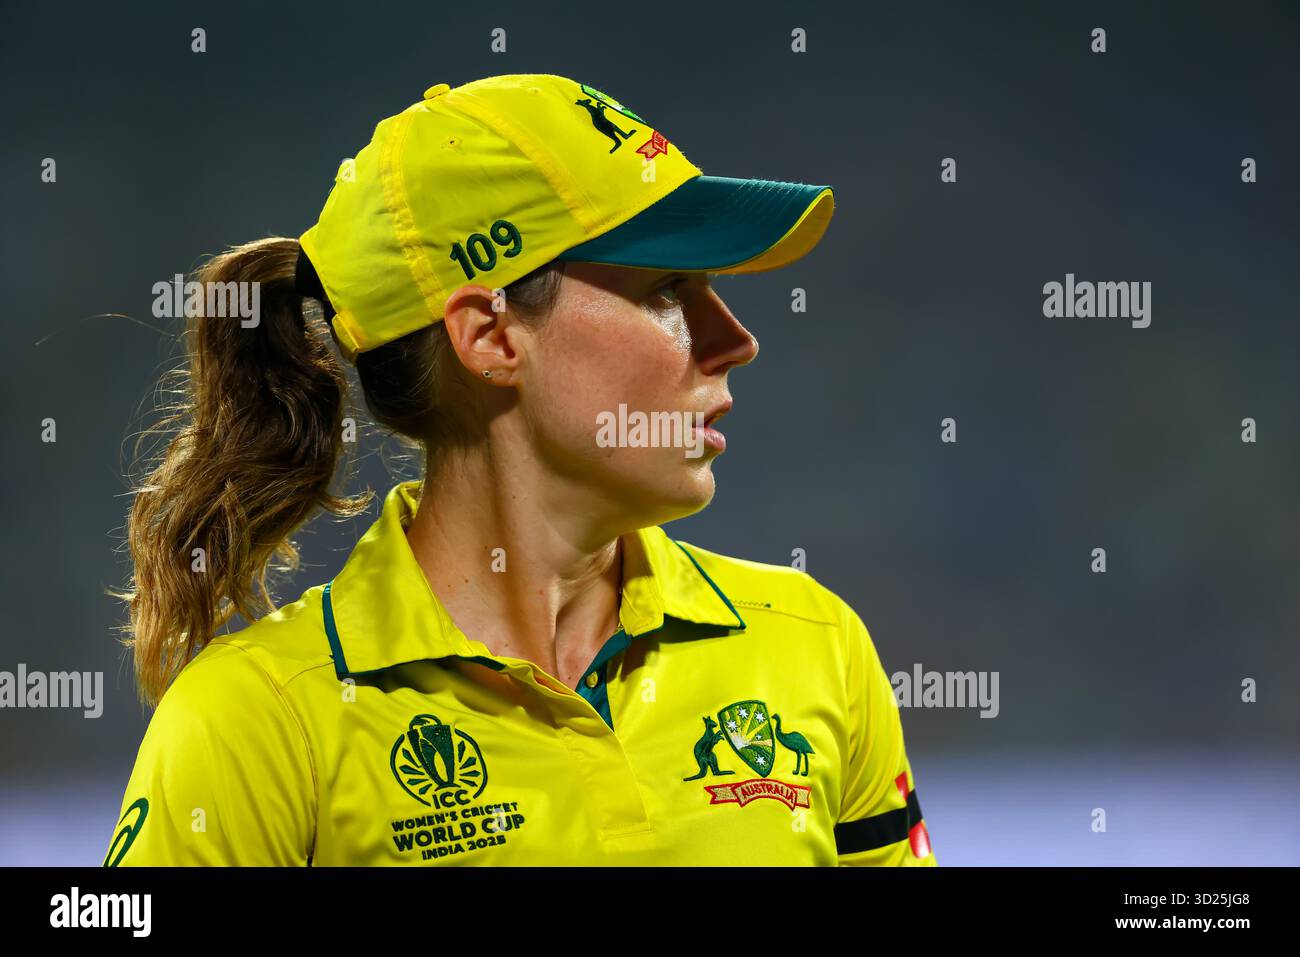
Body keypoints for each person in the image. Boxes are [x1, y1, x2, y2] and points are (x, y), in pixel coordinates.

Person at [103, 73, 936, 866]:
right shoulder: (257, 719)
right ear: (493, 337)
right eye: (666, 288)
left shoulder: (816, 645)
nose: (734, 340)